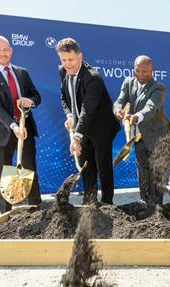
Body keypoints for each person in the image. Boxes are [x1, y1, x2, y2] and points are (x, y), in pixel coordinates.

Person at [0, 35, 42, 213]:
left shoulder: (22, 72)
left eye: (6, 49)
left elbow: (36, 96)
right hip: (2, 131)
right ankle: (5, 216)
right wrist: (13, 126)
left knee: (30, 170)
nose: (3, 53)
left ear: (11, 51)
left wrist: (30, 101)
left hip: (25, 129)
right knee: (3, 174)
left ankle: (35, 210)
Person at [56, 38, 120, 204]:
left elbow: (87, 110)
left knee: (103, 167)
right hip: (82, 128)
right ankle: (89, 202)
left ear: (80, 56)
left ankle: (107, 203)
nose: (67, 64)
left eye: (71, 60)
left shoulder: (93, 77)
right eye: (63, 60)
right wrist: (69, 115)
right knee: (87, 167)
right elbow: (64, 97)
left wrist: (76, 137)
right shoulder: (62, 71)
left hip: (101, 128)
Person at [114, 55, 170, 205]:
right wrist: (118, 110)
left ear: (152, 71)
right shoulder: (128, 83)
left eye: (145, 72)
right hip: (139, 137)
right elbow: (120, 100)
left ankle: (157, 208)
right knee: (142, 170)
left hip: (158, 136)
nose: (140, 75)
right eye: (137, 71)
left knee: (157, 173)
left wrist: (137, 117)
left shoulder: (158, 87)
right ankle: (144, 202)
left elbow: (151, 108)